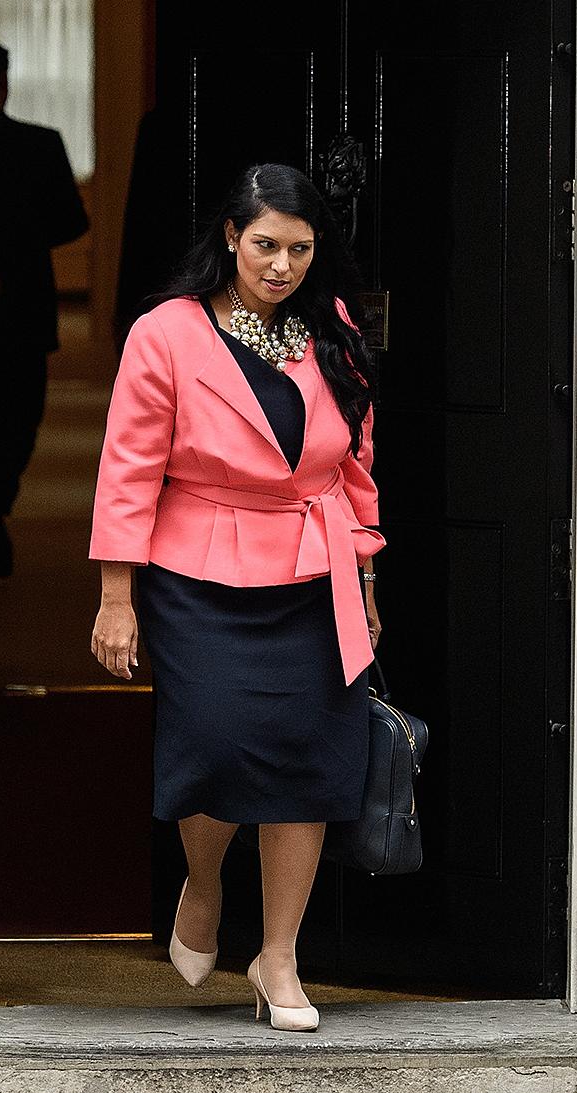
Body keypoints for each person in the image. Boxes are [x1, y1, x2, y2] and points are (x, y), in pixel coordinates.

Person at [88, 163, 383, 1032]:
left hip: (314, 565)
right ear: (230, 237)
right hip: (199, 570)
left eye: (299, 247)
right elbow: (129, 465)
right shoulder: (167, 333)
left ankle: (279, 957)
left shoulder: (329, 324)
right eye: (265, 245)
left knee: (309, 761)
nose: (281, 265)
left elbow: (359, 462)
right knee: (214, 745)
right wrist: (116, 595)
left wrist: (365, 579)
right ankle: (206, 887)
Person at [0, 33, 90, 575]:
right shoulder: (41, 143)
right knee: (17, 419)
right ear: (3, 83)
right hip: (24, 307)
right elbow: (72, 223)